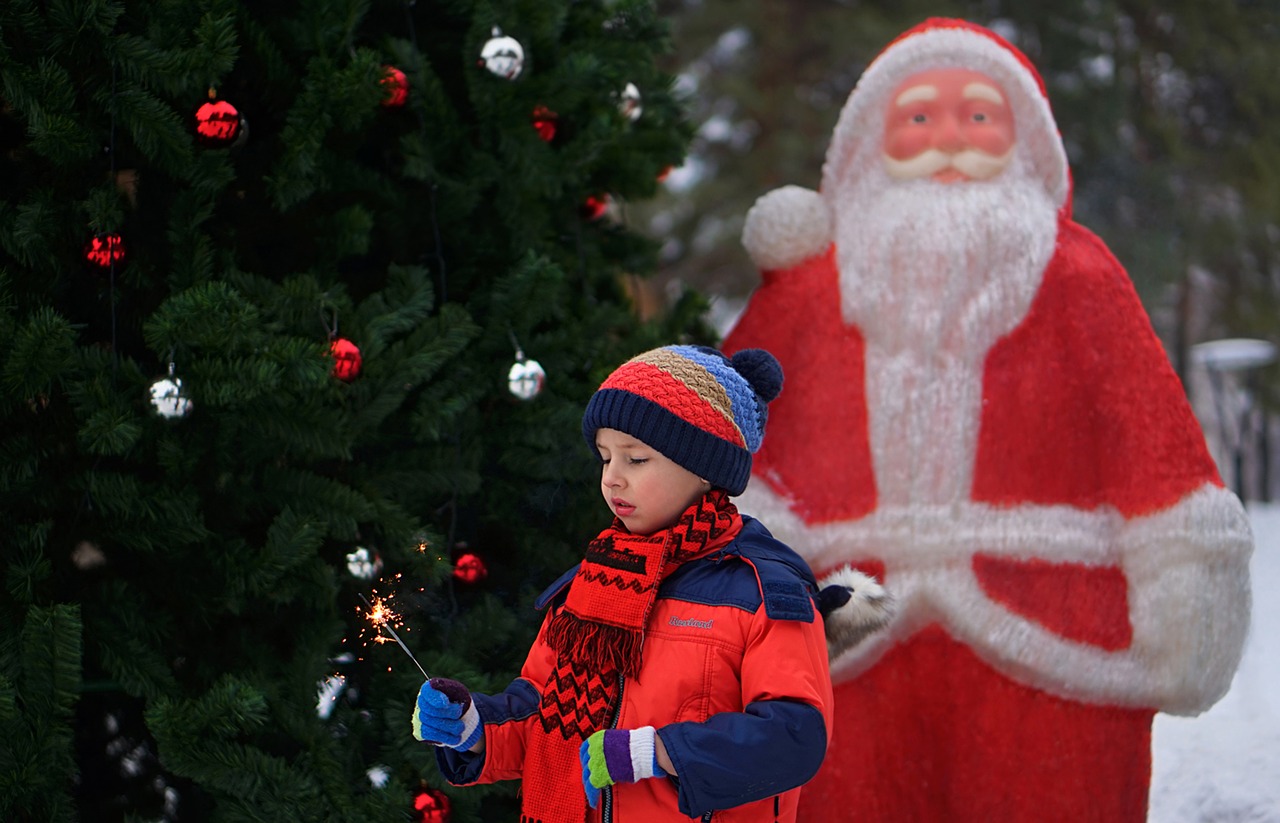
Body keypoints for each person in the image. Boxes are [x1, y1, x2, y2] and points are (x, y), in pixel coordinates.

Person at [720, 17, 1253, 823]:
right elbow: (728, 438)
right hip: (842, 635)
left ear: (1025, 142)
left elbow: (1150, 443)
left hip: (1055, 635)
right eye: (918, 118)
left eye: (977, 116)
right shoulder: (805, 291)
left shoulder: (1079, 276)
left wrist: (1185, 587)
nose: (948, 139)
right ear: (868, 143)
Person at [411, 345, 834, 823]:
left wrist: (656, 751)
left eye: (635, 459)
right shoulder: (591, 583)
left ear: (704, 467)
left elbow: (794, 737)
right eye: (605, 458)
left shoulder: (762, 591)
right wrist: (473, 727)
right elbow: (543, 713)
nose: (612, 479)